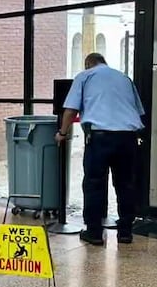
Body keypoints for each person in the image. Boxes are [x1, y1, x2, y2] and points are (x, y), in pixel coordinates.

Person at [55, 53, 145, 246]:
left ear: (88, 63)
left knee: (94, 183)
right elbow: (138, 110)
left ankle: (94, 232)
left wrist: (62, 133)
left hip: (100, 138)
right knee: (126, 184)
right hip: (128, 137)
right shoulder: (124, 78)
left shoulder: (85, 76)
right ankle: (125, 232)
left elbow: (70, 110)